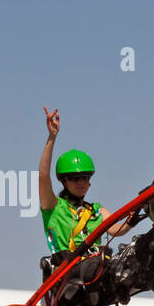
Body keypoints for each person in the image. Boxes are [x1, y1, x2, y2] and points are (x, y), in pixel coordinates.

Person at [38, 107, 133, 256]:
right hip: (67, 273)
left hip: (98, 270)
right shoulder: (53, 207)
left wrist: (132, 220)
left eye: (85, 177)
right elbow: (43, 176)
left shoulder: (97, 210)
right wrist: (52, 138)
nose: (81, 182)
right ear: (64, 181)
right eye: (75, 179)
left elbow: (116, 229)